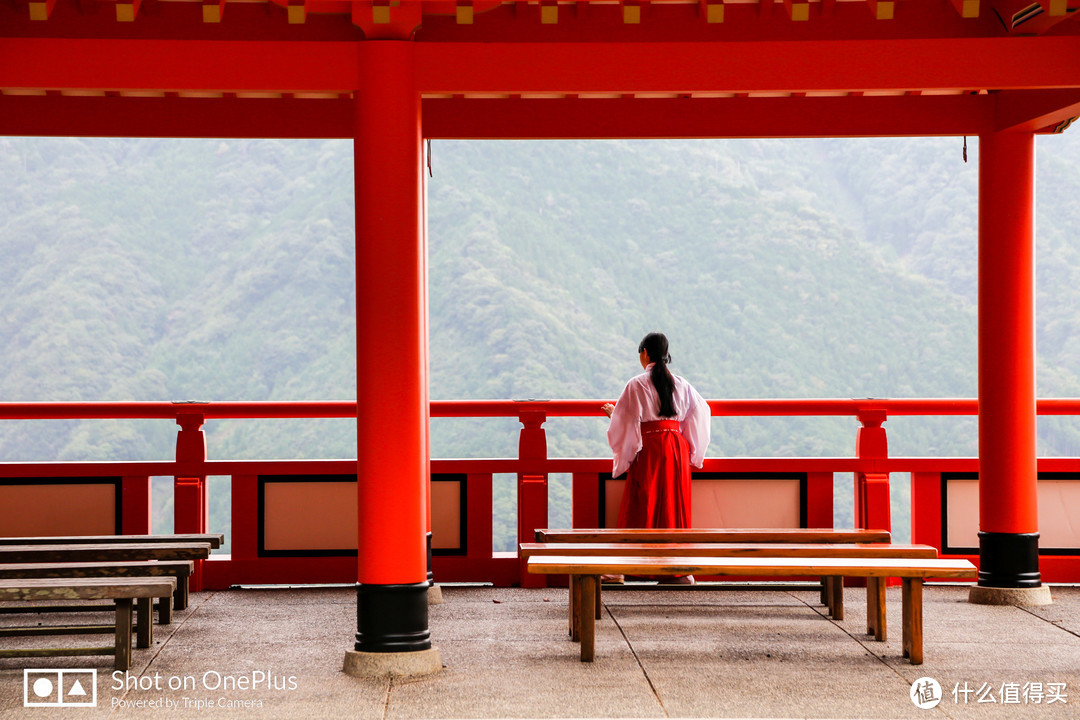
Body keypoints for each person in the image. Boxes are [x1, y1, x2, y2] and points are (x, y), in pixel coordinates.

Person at [601, 332, 710, 584]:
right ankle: (677, 570)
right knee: (673, 504)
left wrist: (612, 413)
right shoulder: (681, 384)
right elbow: (701, 412)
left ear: (645, 353)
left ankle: (622, 569)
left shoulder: (636, 384)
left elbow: (625, 422)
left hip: (650, 447)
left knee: (641, 502)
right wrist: (694, 451)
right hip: (676, 447)